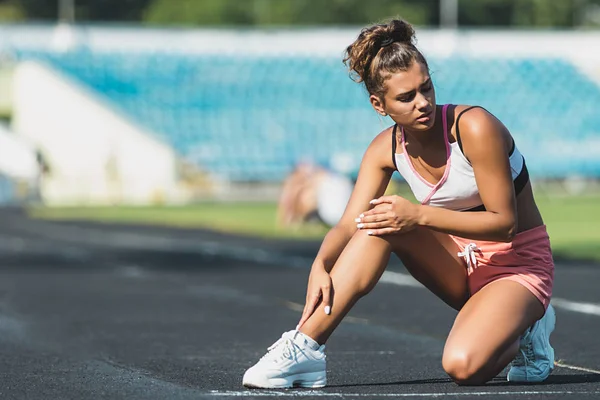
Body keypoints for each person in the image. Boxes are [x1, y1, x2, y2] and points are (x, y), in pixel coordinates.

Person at [242, 18, 555, 388]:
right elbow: (347, 224)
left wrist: (418, 214)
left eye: (426, 88)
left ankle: (527, 326)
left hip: (515, 267)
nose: (423, 103)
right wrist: (320, 264)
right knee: (379, 220)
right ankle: (305, 346)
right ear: (379, 104)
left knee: (463, 367)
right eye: (406, 97)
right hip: (458, 265)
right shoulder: (384, 148)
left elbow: (504, 223)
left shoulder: (474, 127)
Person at [277, 162, 354, 229]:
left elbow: (292, 195)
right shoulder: (332, 178)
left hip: (331, 216)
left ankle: (301, 219)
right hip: (347, 216)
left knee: (307, 196)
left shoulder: (317, 181)